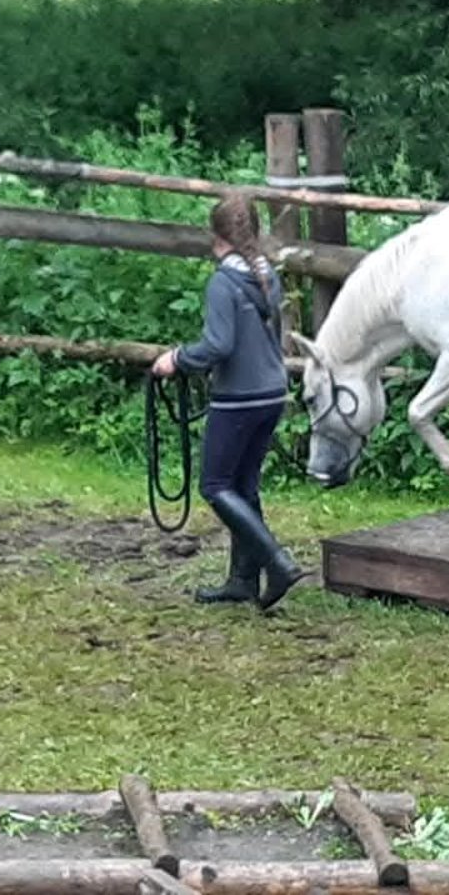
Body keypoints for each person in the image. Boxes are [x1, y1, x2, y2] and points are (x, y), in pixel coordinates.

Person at [151, 194, 308, 610]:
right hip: (272, 393)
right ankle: (242, 580)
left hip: (238, 399)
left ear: (215, 235)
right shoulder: (265, 274)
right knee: (243, 486)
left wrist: (178, 359)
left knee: (215, 486)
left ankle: (276, 561)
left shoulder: (224, 281)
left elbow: (218, 346)